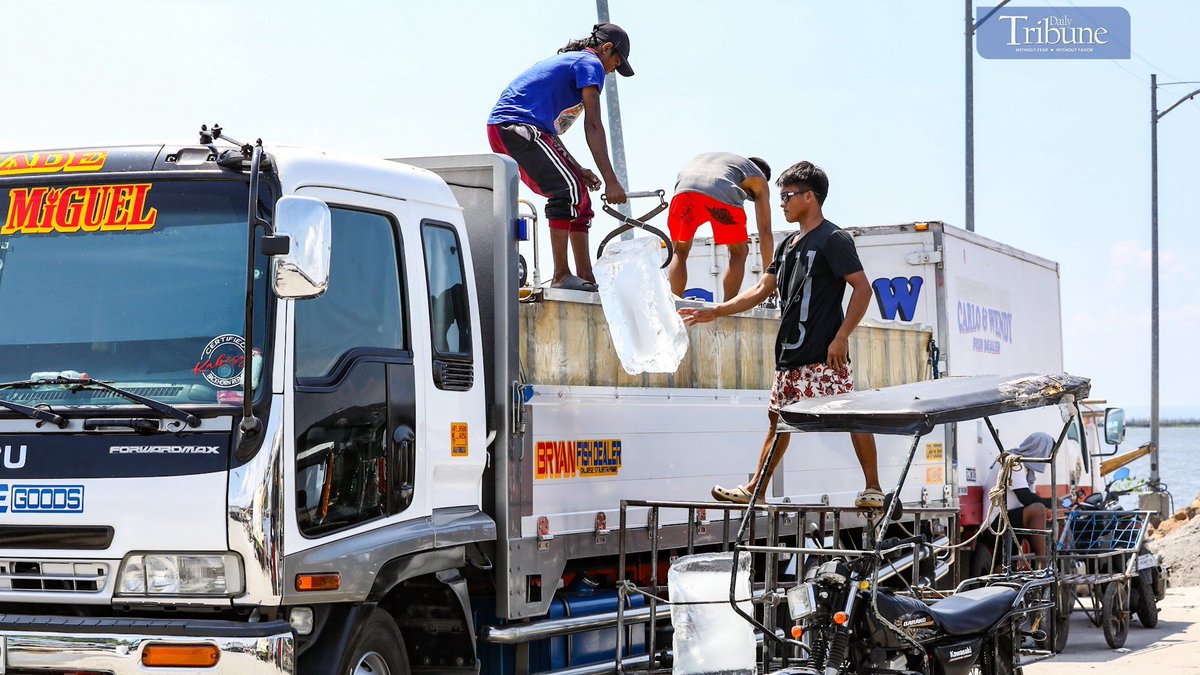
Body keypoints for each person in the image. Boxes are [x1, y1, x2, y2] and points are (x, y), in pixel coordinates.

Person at [680, 161, 883, 508]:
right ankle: (755, 491)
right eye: (782, 197)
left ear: (810, 197)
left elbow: (862, 289)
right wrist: (717, 310)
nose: (783, 203)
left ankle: (874, 489)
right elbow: (761, 289)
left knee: (851, 414)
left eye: (788, 196)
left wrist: (842, 336)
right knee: (777, 422)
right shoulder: (788, 245)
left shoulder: (834, 239)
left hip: (824, 353)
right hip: (789, 354)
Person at [487, 23, 633, 292]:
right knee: (566, 189)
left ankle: (585, 275)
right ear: (607, 49)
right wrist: (612, 181)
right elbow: (594, 125)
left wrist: (578, 168)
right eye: (616, 62)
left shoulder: (576, 63)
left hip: (519, 129)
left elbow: (549, 134)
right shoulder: (591, 64)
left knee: (580, 193)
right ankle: (562, 275)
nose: (612, 70)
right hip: (515, 127)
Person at [666, 153, 774, 302]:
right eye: (750, 197)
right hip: (721, 188)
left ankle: (674, 305)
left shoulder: (727, 163)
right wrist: (768, 279)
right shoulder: (759, 177)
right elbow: (765, 231)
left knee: (680, 250)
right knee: (739, 252)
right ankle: (727, 308)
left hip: (683, 191)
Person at [981, 432, 1054, 561]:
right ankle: (1044, 562)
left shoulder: (1026, 469)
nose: (1048, 457)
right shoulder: (1013, 462)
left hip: (1006, 519)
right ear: (1040, 450)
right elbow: (1026, 498)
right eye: (1048, 452)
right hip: (994, 525)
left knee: (1004, 561)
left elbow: (1031, 497)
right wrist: (1053, 502)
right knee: (1038, 510)